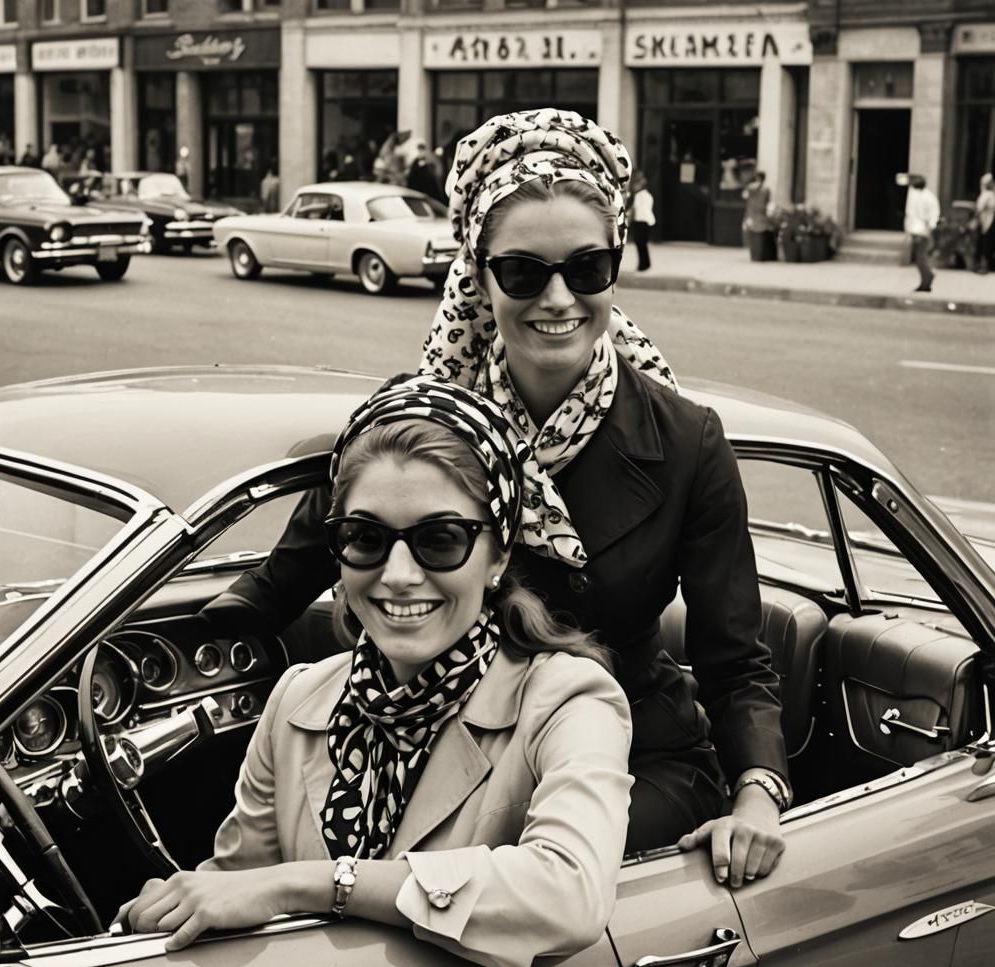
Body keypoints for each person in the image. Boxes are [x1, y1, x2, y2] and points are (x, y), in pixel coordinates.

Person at [201, 109, 789, 888]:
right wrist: (195, 643)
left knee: (477, 887)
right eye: (522, 271)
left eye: (586, 269)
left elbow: (735, 658)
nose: (557, 298)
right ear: (477, 277)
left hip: (630, 752)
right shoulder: (418, 419)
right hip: (432, 739)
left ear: (615, 267)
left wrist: (758, 797)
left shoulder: (685, 440)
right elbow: (310, 556)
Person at [122, 379, 633, 967]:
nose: (397, 575)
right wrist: (168, 910)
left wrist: (314, 883)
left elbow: (568, 895)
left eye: (440, 540)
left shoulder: (568, 699)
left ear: (497, 558)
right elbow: (238, 890)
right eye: (365, 538)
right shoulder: (298, 700)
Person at [904, 174, 940, 292]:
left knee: (921, 258)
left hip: (922, 230)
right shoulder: (915, 195)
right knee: (919, 258)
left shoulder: (927, 197)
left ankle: (927, 277)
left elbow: (933, 214)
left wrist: (929, 228)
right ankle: (925, 282)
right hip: (916, 229)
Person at [742, 170, 774, 261]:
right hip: (761, 215)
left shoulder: (751, 187)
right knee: (759, 235)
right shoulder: (766, 189)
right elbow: (768, 202)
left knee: (753, 235)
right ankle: (759, 255)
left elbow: (744, 196)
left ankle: (755, 255)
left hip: (752, 214)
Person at [628, 170, 655, 271]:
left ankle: (644, 265)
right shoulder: (640, 196)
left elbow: (640, 211)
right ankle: (643, 264)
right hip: (640, 221)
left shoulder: (643, 196)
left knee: (641, 243)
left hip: (642, 222)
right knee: (640, 244)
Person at [975, 172, 995, 275]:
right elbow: (979, 209)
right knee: (985, 244)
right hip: (987, 221)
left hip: (990, 221)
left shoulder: (990, 194)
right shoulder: (987, 195)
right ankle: (983, 266)